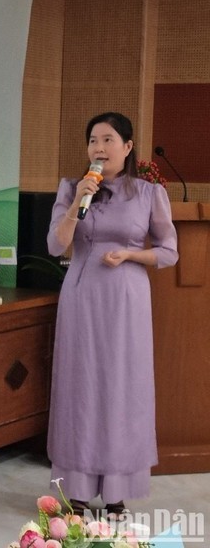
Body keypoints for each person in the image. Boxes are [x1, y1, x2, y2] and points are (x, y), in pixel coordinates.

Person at [46, 112, 178, 518]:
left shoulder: (148, 193)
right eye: (92, 141)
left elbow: (169, 251)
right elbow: (55, 246)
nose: (98, 148)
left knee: (122, 389)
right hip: (82, 299)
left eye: (107, 139)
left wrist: (131, 254)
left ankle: (116, 491)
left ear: (128, 146)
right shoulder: (71, 188)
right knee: (80, 388)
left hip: (127, 301)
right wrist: (76, 206)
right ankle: (77, 491)